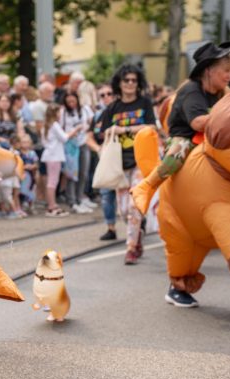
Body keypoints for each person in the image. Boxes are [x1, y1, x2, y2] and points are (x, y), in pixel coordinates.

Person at [132, 41, 230, 217]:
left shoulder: (223, 91)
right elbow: (197, 123)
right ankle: (146, 186)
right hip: (186, 137)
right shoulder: (192, 90)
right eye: (226, 70)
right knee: (179, 150)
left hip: (211, 136)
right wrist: (229, 115)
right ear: (209, 70)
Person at [99, 64, 156, 264]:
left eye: (134, 80)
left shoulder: (145, 103)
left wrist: (126, 129)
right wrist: (112, 131)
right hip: (119, 163)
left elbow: (151, 127)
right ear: (120, 84)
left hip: (141, 160)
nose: (130, 84)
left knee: (134, 205)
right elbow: (103, 132)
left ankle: (131, 248)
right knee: (123, 210)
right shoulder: (112, 108)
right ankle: (137, 232)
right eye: (126, 80)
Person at [86, 83, 118, 240]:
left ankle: (139, 222)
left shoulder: (121, 113)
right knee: (106, 194)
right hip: (105, 159)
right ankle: (111, 227)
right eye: (102, 95)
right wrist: (98, 149)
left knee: (128, 195)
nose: (106, 97)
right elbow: (89, 137)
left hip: (122, 158)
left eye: (109, 93)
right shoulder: (97, 116)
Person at [41, 103, 79, 216]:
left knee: (52, 181)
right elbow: (64, 138)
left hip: (50, 155)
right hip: (54, 156)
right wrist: (75, 130)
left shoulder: (46, 126)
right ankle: (51, 206)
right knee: (53, 182)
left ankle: (53, 204)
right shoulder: (55, 125)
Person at [60, 92, 94, 213]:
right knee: (72, 173)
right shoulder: (63, 112)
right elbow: (61, 128)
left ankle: (80, 198)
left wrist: (87, 128)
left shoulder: (84, 109)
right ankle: (72, 200)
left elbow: (92, 122)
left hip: (83, 142)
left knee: (83, 172)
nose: (71, 104)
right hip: (70, 145)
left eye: (73, 101)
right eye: (69, 102)